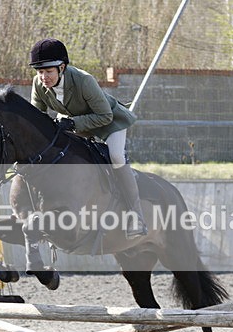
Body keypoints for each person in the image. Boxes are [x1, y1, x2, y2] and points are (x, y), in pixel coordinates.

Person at [29, 38, 147, 239]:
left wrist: (73, 124)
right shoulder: (38, 84)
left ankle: (136, 215)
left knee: (117, 156)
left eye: (48, 72)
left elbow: (105, 116)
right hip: (73, 123)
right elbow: (37, 117)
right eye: (40, 72)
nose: (43, 77)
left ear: (62, 67)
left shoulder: (84, 80)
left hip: (110, 123)